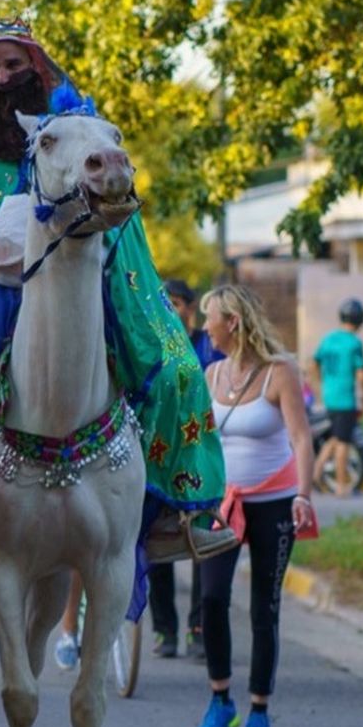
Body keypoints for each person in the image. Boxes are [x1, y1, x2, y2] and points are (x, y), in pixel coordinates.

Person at [0, 18, 234, 621]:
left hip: (84, 275)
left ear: (36, 68)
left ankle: (174, 511)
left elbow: (119, 210)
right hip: (2, 285)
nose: (3, 77)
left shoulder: (74, 130)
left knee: (175, 365)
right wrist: (4, 225)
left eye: (13, 65)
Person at [194, 286, 317, 727]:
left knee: (265, 606)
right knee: (210, 600)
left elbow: (301, 439)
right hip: (223, 506)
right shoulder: (211, 375)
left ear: (234, 324)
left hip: (274, 503)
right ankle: (220, 699)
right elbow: (203, 443)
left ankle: (259, 711)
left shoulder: (279, 372)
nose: (205, 327)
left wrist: (303, 495)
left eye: (212, 318)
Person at [146, 278, 223, 658]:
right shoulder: (151, 345)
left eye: (176, 303)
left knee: (199, 541)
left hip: (198, 456)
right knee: (156, 541)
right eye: (165, 303)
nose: (171, 310)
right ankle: (164, 631)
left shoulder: (208, 347)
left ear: (189, 309)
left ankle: (199, 627)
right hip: (160, 457)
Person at [311, 297, 363, 497]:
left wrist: (321, 385)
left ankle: (316, 473)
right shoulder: (354, 343)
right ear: (361, 320)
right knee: (344, 442)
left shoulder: (328, 339)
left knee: (335, 437)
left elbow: (314, 363)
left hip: (330, 396)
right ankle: (342, 486)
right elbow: (362, 374)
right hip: (345, 399)